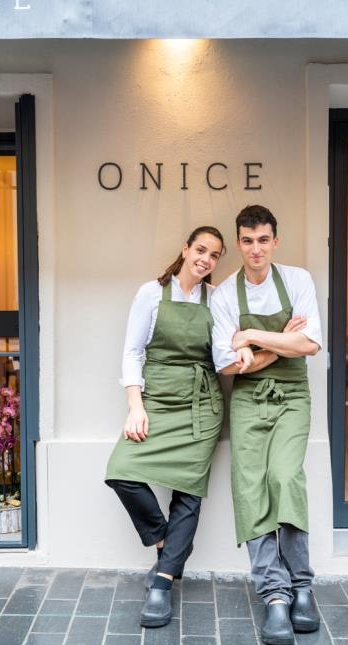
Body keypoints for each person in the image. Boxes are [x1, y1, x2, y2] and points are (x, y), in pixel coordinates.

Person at [210, 205, 322, 645]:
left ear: (275, 241)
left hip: (293, 397)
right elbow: (228, 365)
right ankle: (274, 595)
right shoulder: (223, 295)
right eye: (247, 240)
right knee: (251, 486)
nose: (255, 248)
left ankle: (302, 586)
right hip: (248, 401)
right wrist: (282, 344)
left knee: (285, 477)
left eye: (263, 239)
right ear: (239, 243)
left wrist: (252, 338)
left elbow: (311, 344)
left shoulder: (297, 280)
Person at [105, 226, 225, 629]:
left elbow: (225, 349)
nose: (206, 259)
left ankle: (162, 582)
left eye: (214, 254)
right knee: (122, 471)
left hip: (201, 405)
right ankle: (165, 545)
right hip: (156, 402)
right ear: (186, 250)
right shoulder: (151, 293)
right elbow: (132, 352)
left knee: (189, 495)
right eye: (201, 250)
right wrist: (135, 407)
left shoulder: (216, 298)